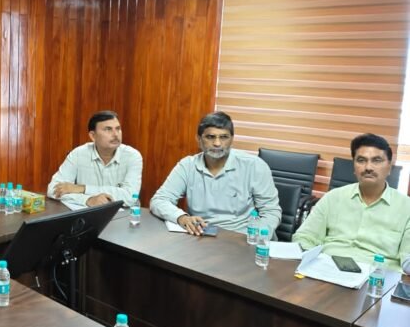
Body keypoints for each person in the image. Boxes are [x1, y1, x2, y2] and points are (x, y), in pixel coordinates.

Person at [150, 111, 280, 236]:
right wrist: (182, 218)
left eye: (224, 137)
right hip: (201, 235)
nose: (217, 143)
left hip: (241, 236)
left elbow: (271, 212)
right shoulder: (187, 165)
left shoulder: (254, 166)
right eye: (210, 137)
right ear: (199, 139)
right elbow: (159, 200)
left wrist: (254, 237)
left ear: (232, 139)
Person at [293, 133, 410, 272]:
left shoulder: (406, 207)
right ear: (354, 167)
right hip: (327, 270)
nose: (368, 167)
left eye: (377, 160)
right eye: (361, 160)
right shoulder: (333, 198)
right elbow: (304, 237)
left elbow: (408, 257)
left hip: (377, 277)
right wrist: (312, 263)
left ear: (389, 167)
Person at [46, 110, 142, 207]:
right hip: (88, 212)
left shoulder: (132, 156)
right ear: (93, 136)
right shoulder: (78, 154)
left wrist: (83, 188)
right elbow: (53, 189)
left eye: (118, 129)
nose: (116, 134)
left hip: (125, 213)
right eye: (108, 129)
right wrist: (88, 200)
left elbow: (130, 197)